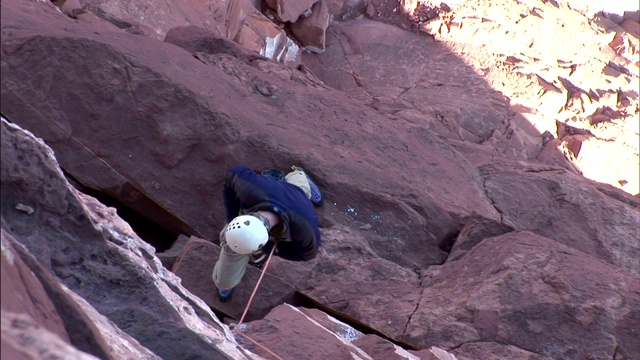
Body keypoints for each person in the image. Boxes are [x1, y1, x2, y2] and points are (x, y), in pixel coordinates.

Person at [212, 165, 323, 302]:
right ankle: (274, 181)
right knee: (224, 282)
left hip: (295, 201)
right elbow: (231, 174)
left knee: (300, 192)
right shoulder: (248, 188)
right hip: (265, 191)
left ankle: (299, 176)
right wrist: (231, 219)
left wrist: (271, 248)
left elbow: (308, 254)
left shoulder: (304, 226)